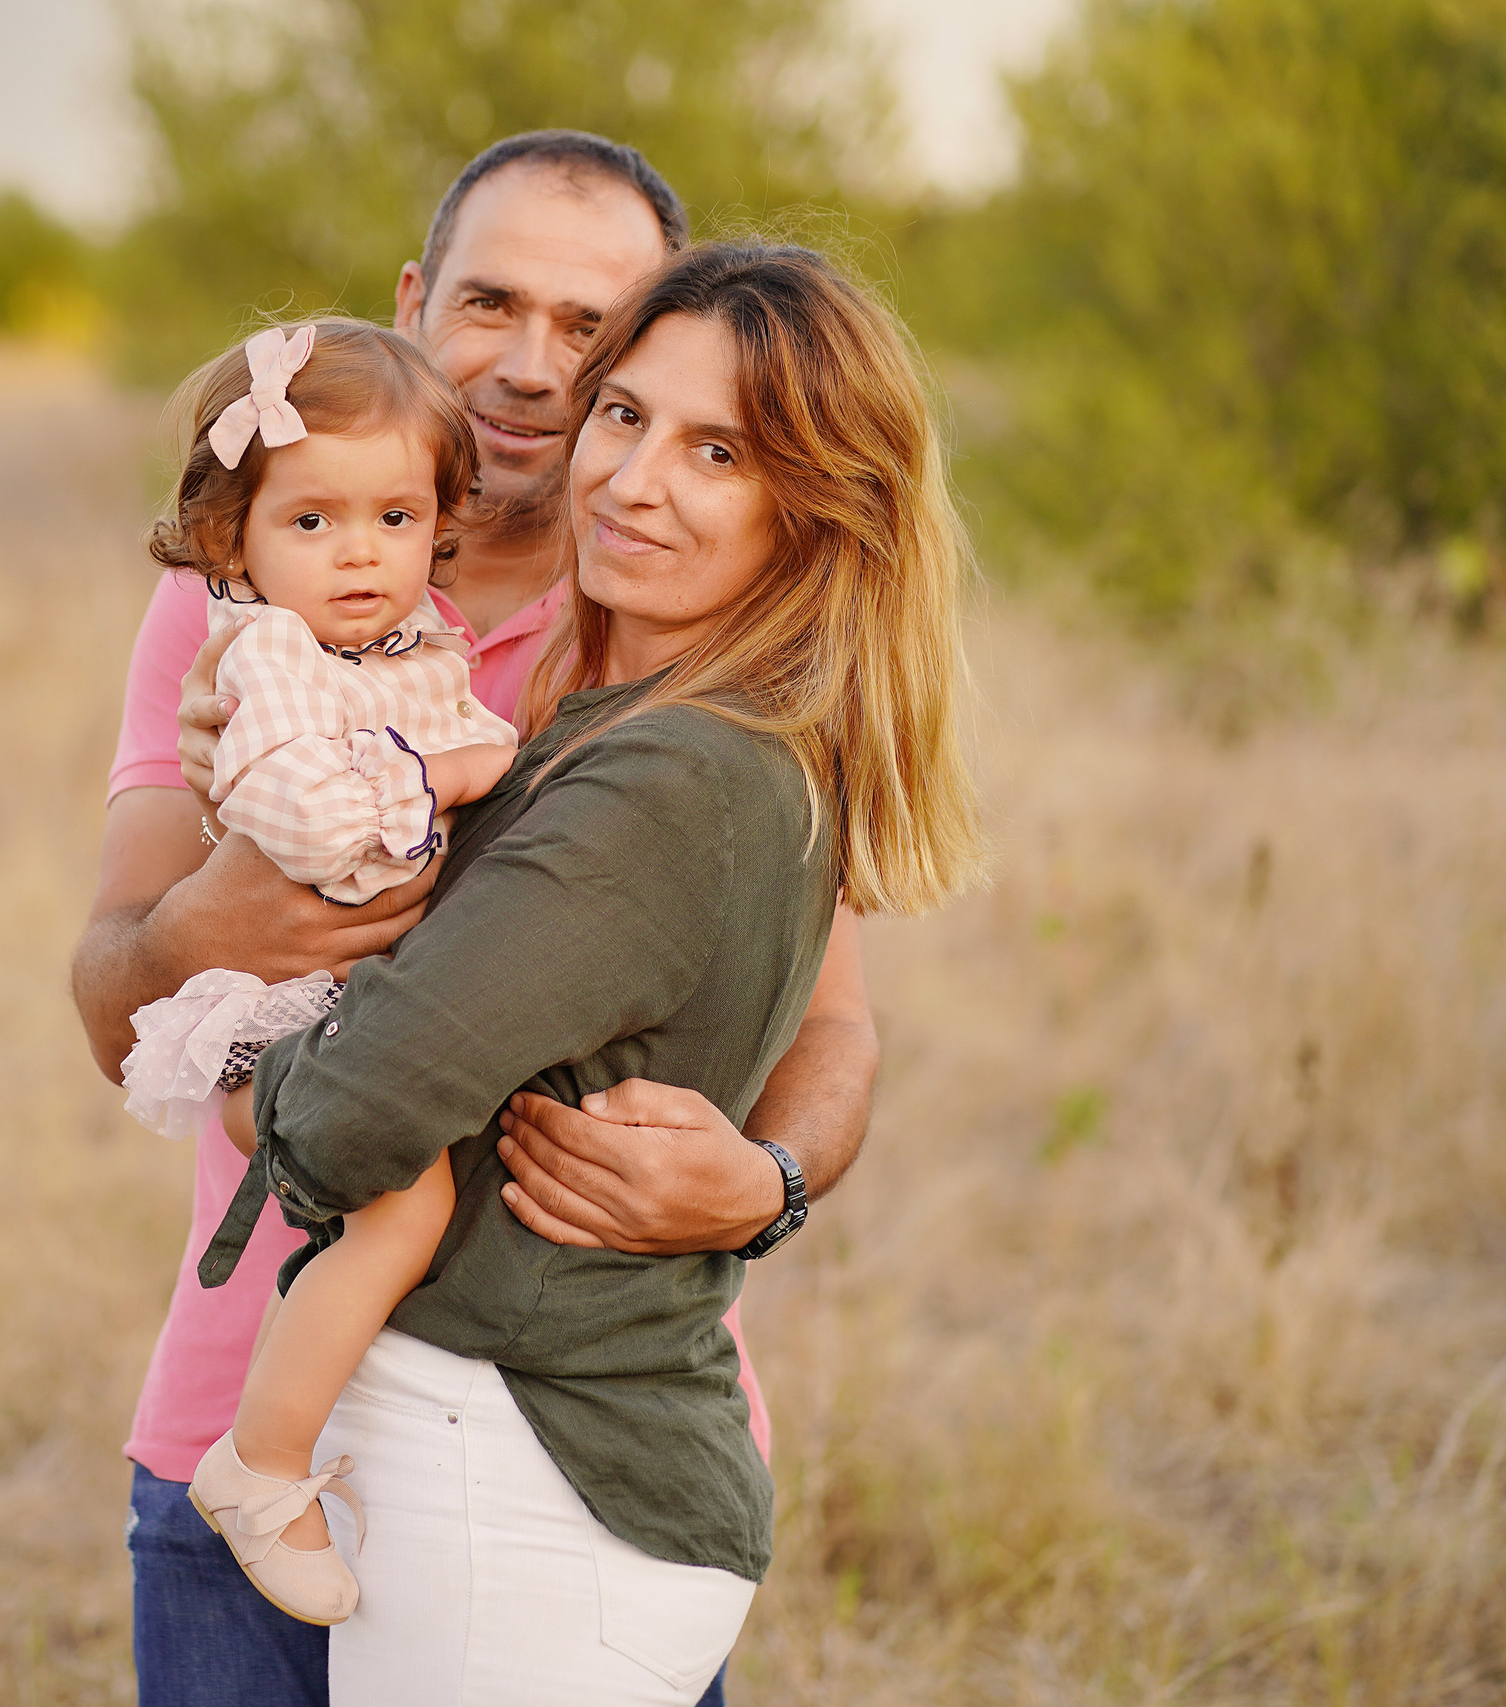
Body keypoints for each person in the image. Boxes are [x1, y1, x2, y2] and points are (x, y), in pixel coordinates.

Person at [70, 132, 881, 1707]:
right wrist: (209, 926)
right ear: (411, 303)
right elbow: (115, 1002)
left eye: (593, 331)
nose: (529, 367)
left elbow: (833, 1021)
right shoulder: (246, 594)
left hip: (560, 1438)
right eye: (490, 303)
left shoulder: (681, 616)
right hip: (252, 1395)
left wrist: (765, 1179)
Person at [217, 240, 986, 1705]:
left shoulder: (674, 777)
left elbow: (346, 1118)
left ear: (814, 513)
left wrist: (242, 1069)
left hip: (523, 1482)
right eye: (624, 416)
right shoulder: (653, 725)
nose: (634, 481)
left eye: (720, 452)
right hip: (523, 1467)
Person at [115, 316, 520, 1626]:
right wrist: (439, 783)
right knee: (400, 1206)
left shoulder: (410, 645)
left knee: (419, 1202)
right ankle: (263, 1461)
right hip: (290, 1009)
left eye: (397, 517)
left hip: (374, 1004)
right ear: (234, 542)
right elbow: (320, 829)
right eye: (314, 523)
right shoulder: (268, 656)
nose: (360, 552)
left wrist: (459, 764)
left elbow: (480, 745)